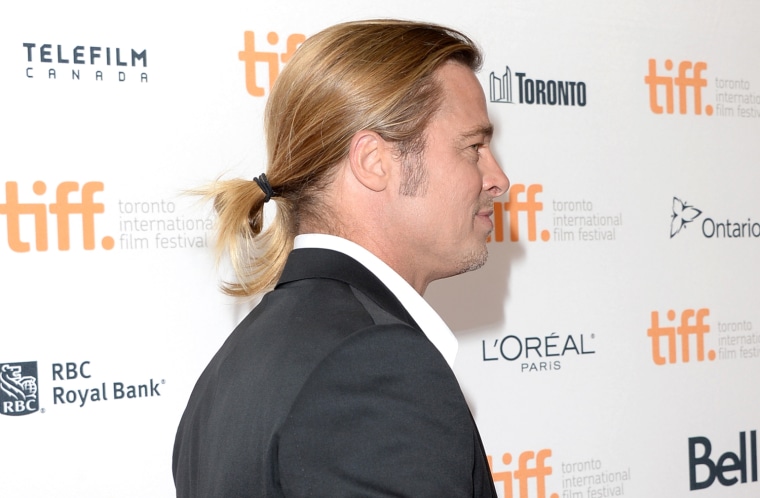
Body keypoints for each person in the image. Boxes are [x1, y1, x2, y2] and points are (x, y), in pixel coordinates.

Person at [172, 19, 510, 497]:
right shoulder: (375, 369)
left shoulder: (227, 373)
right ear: (374, 161)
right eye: (473, 147)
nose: (498, 179)